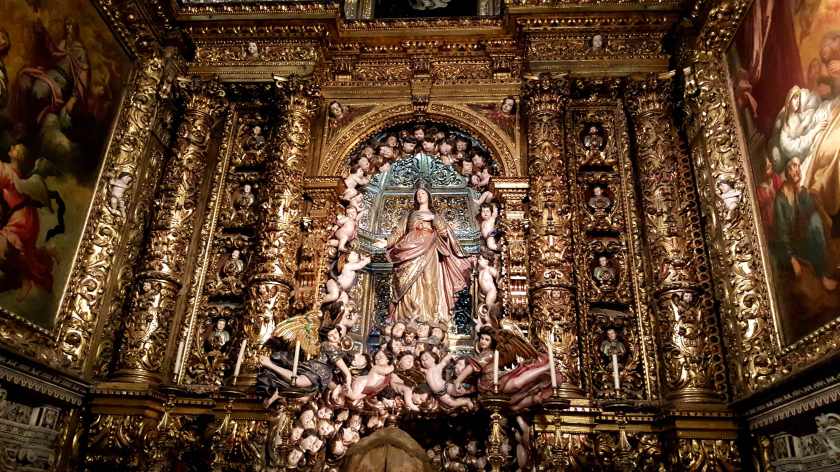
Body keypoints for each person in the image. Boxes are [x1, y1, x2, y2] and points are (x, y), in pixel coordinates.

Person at [373, 184, 472, 324]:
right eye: (418, 194)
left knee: (430, 281)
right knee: (407, 285)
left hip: (429, 250)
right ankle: (406, 319)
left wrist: (434, 219)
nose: (420, 196)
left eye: (423, 194)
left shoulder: (435, 216)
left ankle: (429, 318)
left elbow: (444, 234)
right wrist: (386, 242)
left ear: (428, 197)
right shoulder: (409, 216)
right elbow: (398, 233)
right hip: (408, 249)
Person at [773, 156, 837, 291]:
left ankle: (831, 265)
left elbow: (810, 214)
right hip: (795, 246)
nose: (795, 170)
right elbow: (782, 232)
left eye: (796, 166)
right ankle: (822, 275)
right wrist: (791, 258)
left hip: (808, 238)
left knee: (816, 220)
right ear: (786, 173)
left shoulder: (803, 192)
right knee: (815, 224)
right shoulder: (781, 198)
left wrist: (801, 191)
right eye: (790, 168)